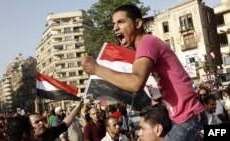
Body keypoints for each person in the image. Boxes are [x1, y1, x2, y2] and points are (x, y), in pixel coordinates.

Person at [82, 4, 204, 141]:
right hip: (184, 118)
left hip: (187, 119)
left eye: (121, 22)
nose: (115, 27)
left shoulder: (147, 42)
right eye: (113, 24)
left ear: (138, 23)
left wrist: (96, 69)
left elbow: (136, 82)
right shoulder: (144, 47)